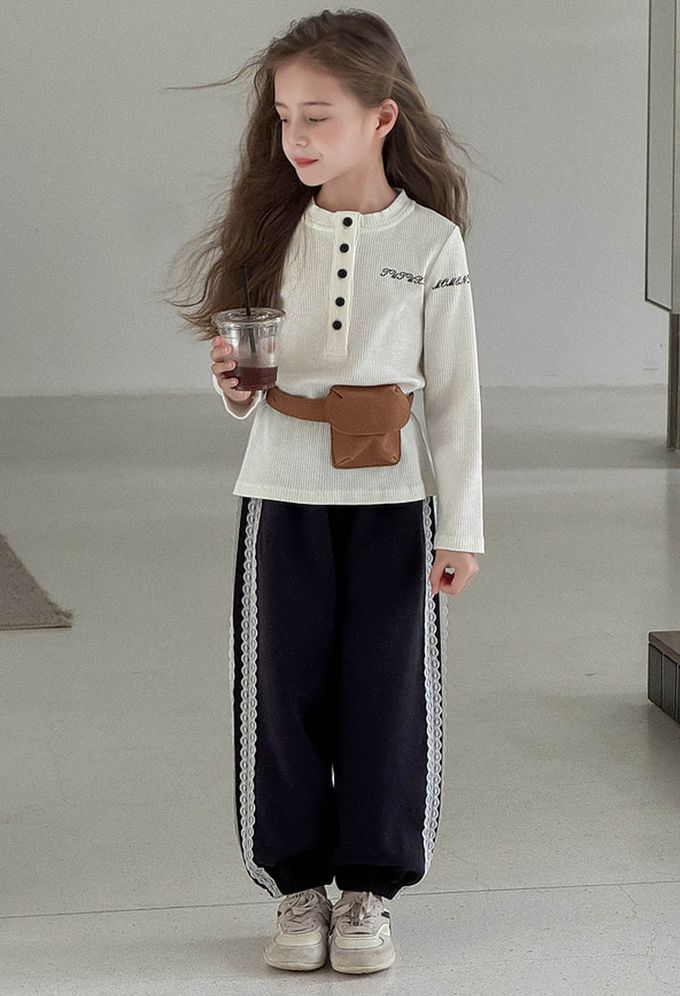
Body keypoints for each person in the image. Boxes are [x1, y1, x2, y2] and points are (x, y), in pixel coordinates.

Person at [166, 8, 484, 977]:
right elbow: (246, 377)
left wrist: (461, 527)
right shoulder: (269, 229)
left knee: (385, 697)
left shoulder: (431, 242)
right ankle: (296, 886)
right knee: (283, 694)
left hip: (393, 505)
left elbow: (455, 396)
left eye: (317, 117)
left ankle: (368, 893)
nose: (294, 138)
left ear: (381, 118)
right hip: (280, 492)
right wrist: (231, 387)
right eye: (282, 118)